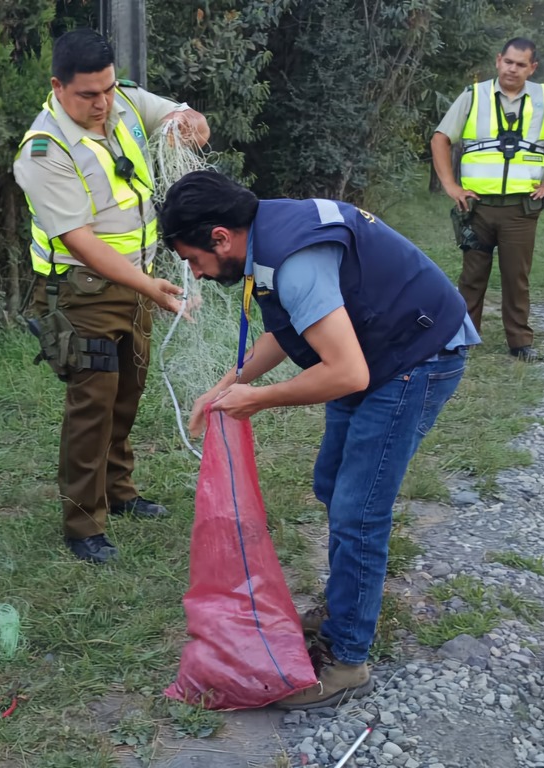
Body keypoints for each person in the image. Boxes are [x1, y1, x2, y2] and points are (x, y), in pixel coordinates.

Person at [158, 170, 478, 709]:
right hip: (375, 349)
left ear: (221, 236)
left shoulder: (292, 259)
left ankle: (348, 659)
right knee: (333, 481)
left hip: (416, 355)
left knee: (358, 509)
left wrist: (257, 399)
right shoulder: (264, 237)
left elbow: (347, 373)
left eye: (194, 258)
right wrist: (225, 388)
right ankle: (343, 605)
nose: (195, 271)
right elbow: (284, 331)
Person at [13, 29, 209, 564]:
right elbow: (83, 242)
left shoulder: (121, 100)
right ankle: (83, 524)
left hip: (137, 284)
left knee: (129, 391)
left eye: (106, 91)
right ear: (58, 86)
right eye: (87, 96)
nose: (102, 105)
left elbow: (192, 124)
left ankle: (119, 492)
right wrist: (153, 288)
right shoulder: (43, 151)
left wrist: (186, 124)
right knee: (92, 404)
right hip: (83, 293)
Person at [432, 37, 544, 363]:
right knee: (472, 277)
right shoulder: (473, 95)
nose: (513, 69)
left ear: (532, 68)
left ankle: (520, 342)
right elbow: (440, 138)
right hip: (476, 207)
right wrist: (450, 185)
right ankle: (462, 338)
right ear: (498, 60)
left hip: (522, 208)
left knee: (515, 277)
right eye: (508, 62)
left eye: (521, 64)